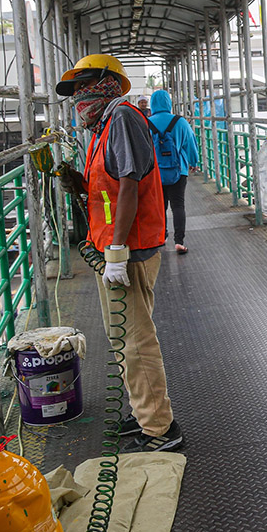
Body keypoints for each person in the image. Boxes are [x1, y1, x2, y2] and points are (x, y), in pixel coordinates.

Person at [56, 55, 183, 451]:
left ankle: (160, 429)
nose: (79, 95)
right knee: (121, 335)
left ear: (110, 83)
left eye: (86, 84)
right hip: (113, 244)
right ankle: (144, 410)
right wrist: (78, 182)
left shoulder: (122, 118)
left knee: (134, 338)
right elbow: (110, 184)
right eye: (74, 90)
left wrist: (116, 250)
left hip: (127, 248)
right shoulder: (103, 125)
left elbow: (129, 186)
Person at [147, 88, 200, 253]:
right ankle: (179, 242)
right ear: (169, 103)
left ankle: (161, 237)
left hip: (155, 173)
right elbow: (191, 143)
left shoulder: (146, 122)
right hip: (179, 170)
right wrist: (193, 162)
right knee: (178, 206)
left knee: (159, 206)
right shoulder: (180, 122)